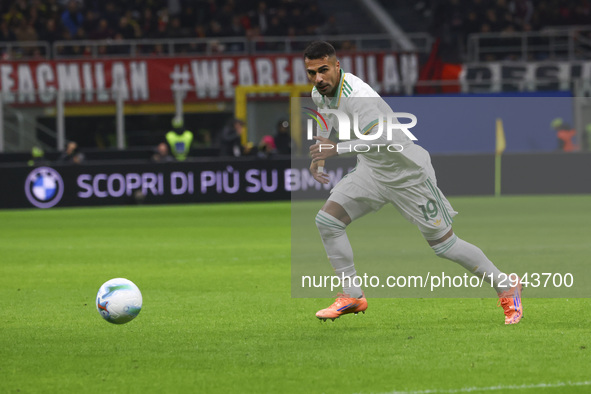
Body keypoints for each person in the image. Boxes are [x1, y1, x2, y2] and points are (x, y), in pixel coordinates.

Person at [305, 41, 523, 325]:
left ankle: (507, 287)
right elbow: (324, 115)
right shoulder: (319, 92)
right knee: (328, 222)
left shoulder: (359, 95)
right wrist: (319, 154)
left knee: (445, 246)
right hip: (372, 172)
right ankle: (352, 295)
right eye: (312, 73)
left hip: (407, 175)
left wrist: (336, 149)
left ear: (337, 66)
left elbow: (386, 139)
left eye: (323, 70)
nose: (318, 78)